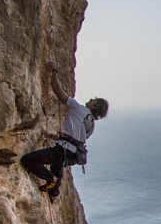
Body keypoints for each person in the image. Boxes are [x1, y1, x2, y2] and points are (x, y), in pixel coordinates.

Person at [21, 60, 108, 201]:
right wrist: (49, 135)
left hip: (62, 151)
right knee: (57, 163)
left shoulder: (78, 108)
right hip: (72, 155)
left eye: (94, 100)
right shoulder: (91, 124)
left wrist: (54, 70)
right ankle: (54, 193)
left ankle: (51, 179)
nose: (91, 99)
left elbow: (57, 89)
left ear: (95, 106)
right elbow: (71, 140)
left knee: (28, 160)